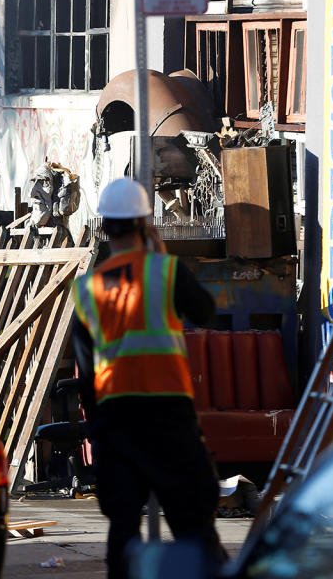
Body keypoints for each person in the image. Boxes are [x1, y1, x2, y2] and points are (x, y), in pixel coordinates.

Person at [69, 177, 223, 579]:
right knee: (193, 524)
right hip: (169, 414)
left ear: (104, 227)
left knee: (123, 529)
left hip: (117, 422)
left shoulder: (87, 289)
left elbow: (86, 375)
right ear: (144, 222)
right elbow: (205, 311)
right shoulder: (166, 271)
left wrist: (97, 429)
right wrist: (159, 252)